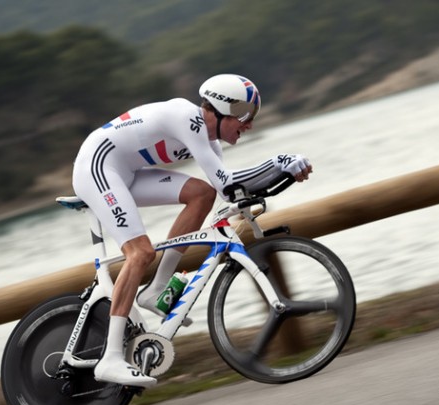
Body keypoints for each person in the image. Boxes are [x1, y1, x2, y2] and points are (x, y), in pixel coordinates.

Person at [72, 74, 312, 388]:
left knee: (201, 195)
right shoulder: (188, 118)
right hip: (98, 166)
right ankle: (111, 359)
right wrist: (279, 161)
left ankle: (156, 289)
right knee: (140, 252)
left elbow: (225, 189)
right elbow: (228, 181)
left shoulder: (210, 142)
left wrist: (279, 174)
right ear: (223, 108)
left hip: (126, 172)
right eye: (245, 116)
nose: (249, 125)